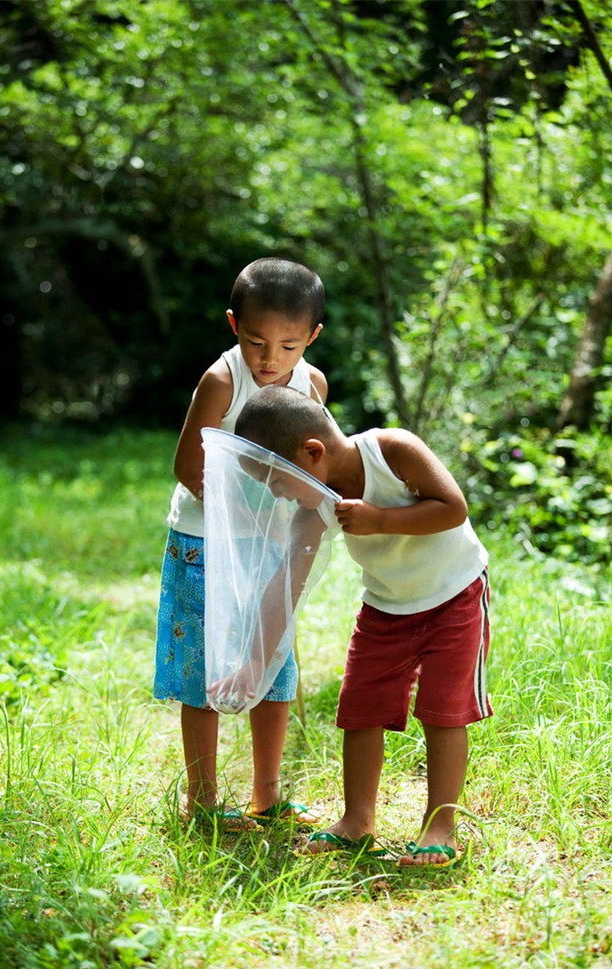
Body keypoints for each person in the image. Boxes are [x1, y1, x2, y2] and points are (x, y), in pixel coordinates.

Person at [234, 385, 491, 866]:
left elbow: (453, 507)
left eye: (277, 481)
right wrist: (252, 659)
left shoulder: (393, 450)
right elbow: (287, 580)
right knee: (360, 707)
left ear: (311, 454)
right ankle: (357, 821)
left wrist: (380, 519)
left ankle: (440, 825)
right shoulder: (318, 506)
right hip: (386, 606)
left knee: (443, 711)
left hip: (454, 594)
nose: (279, 494)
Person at [154, 258, 327, 830]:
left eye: (288, 345)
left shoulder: (312, 386)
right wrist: (245, 508)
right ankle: (202, 799)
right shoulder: (222, 382)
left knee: (272, 665)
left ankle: (267, 793)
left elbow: (312, 468)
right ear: (234, 326)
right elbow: (187, 465)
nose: (270, 359)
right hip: (206, 544)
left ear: (312, 338)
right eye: (256, 341)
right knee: (206, 669)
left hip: (271, 550)